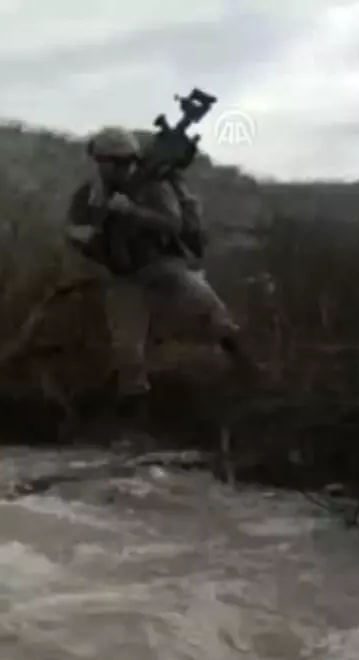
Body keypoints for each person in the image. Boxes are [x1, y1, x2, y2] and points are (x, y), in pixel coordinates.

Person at [66, 125, 260, 443]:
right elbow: (73, 226)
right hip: (122, 275)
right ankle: (136, 423)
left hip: (162, 264)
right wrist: (80, 237)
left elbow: (173, 223)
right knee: (127, 351)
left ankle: (247, 366)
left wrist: (132, 212)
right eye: (111, 161)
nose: (116, 167)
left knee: (208, 308)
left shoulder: (153, 186)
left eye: (122, 161)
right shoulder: (89, 192)